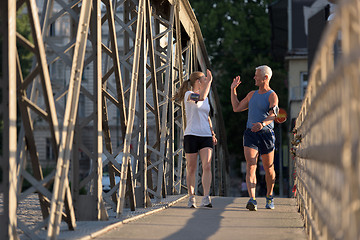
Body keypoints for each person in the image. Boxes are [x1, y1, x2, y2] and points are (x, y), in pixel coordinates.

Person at [230, 65, 278, 211]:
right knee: (251, 164)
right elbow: (236, 107)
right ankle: (252, 199)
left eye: (256, 75)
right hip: (250, 134)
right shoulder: (251, 94)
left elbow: (273, 115)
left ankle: (269, 197)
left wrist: (262, 124)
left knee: (269, 168)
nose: (254, 77)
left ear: (265, 77)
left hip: (266, 135)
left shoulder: (272, 95)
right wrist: (233, 90)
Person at [173, 69, 217, 208]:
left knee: (207, 165)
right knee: (191, 167)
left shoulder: (207, 97)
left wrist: (212, 132)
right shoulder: (189, 95)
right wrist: (209, 82)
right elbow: (201, 98)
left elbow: (207, 116)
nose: (206, 81)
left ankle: (206, 197)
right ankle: (191, 197)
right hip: (191, 135)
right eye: (204, 79)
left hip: (205, 136)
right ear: (198, 82)